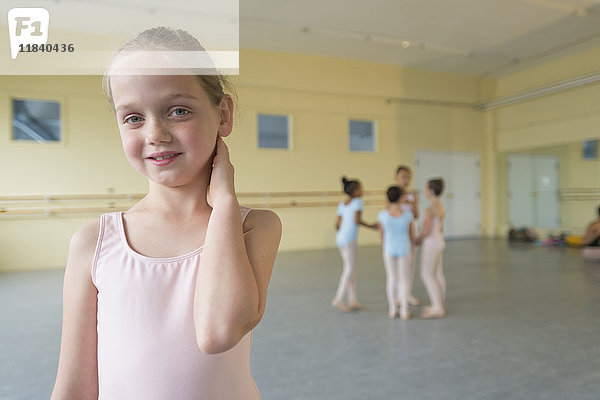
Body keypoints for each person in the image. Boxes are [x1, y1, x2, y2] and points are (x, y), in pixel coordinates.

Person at [51, 27, 281, 400]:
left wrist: (224, 202)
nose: (155, 133)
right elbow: (74, 386)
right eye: (133, 118)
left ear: (223, 114)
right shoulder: (94, 243)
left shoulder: (253, 227)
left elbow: (217, 331)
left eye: (178, 111)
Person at [332, 177, 377, 312]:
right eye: (360, 188)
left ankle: (352, 299)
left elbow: (336, 223)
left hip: (340, 238)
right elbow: (357, 220)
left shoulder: (343, 203)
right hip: (349, 239)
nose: (362, 190)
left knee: (352, 268)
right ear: (355, 191)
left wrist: (342, 234)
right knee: (349, 269)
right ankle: (338, 298)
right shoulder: (358, 202)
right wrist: (372, 226)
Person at [377, 186, 415, 320]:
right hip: (404, 249)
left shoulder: (382, 215)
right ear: (401, 198)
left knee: (391, 279)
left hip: (389, 249)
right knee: (404, 280)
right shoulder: (408, 215)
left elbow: (381, 235)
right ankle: (405, 311)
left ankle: (392, 309)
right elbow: (411, 236)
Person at [415, 178, 446, 319]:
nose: (425, 191)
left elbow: (426, 231)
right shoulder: (440, 206)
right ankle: (438, 303)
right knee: (437, 274)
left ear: (431, 191)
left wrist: (417, 240)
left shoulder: (429, 209)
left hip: (431, 243)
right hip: (439, 240)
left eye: (426, 188)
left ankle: (438, 307)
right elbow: (441, 227)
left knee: (426, 274)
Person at [395, 165, 420, 306]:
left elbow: (416, 215)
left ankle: (407, 294)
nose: (406, 180)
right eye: (403, 176)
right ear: (396, 177)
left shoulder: (412, 195)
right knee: (398, 264)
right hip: (398, 231)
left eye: (408, 177)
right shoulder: (392, 193)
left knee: (410, 263)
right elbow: (388, 212)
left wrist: (411, 202)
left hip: (411, 229)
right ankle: (398, 295)